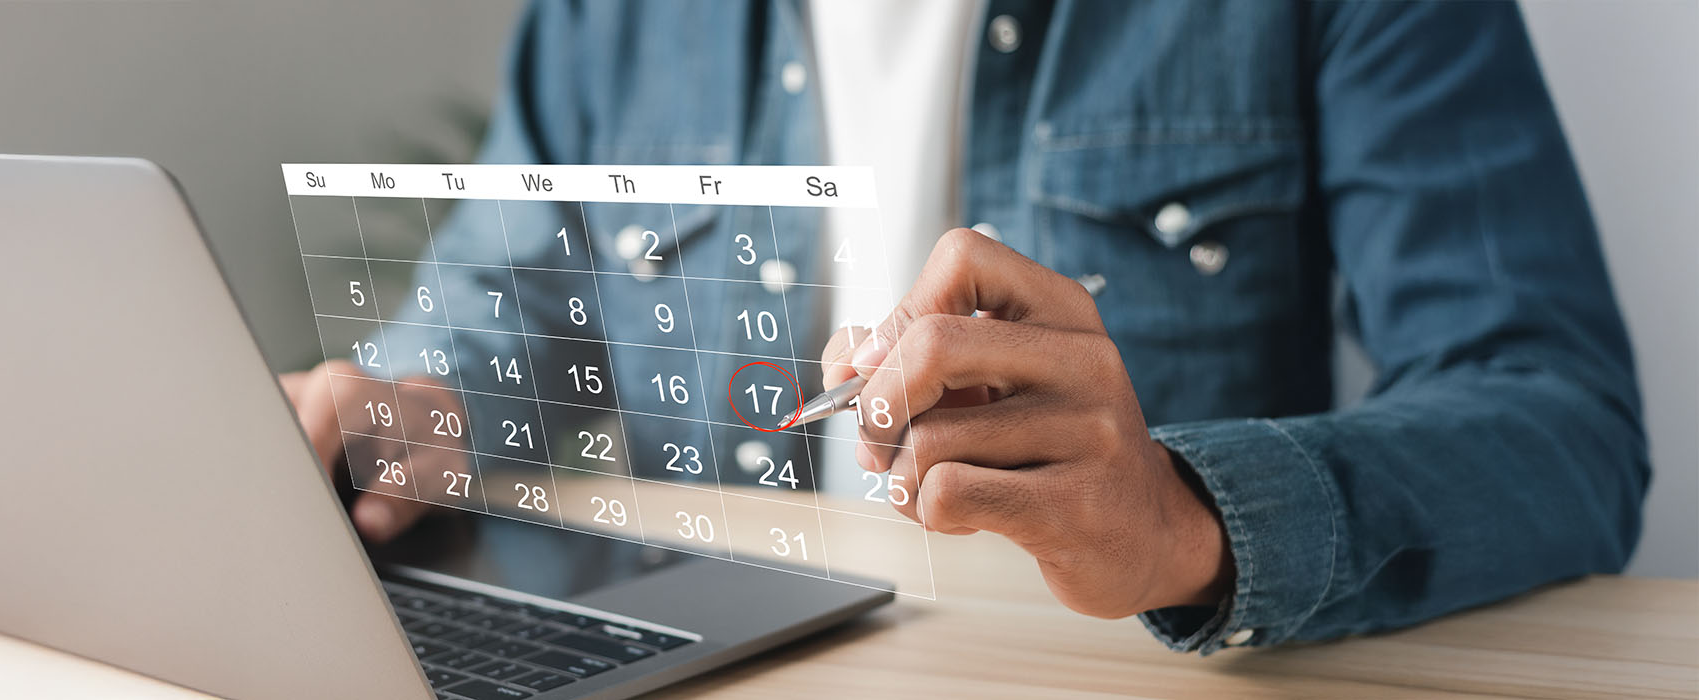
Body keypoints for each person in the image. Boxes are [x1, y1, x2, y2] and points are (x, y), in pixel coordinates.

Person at [282, 0, 1647, 654]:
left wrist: (1187, 522)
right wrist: (409, 406)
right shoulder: (614, 20)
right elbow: (497, 305)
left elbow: (1555, 411)